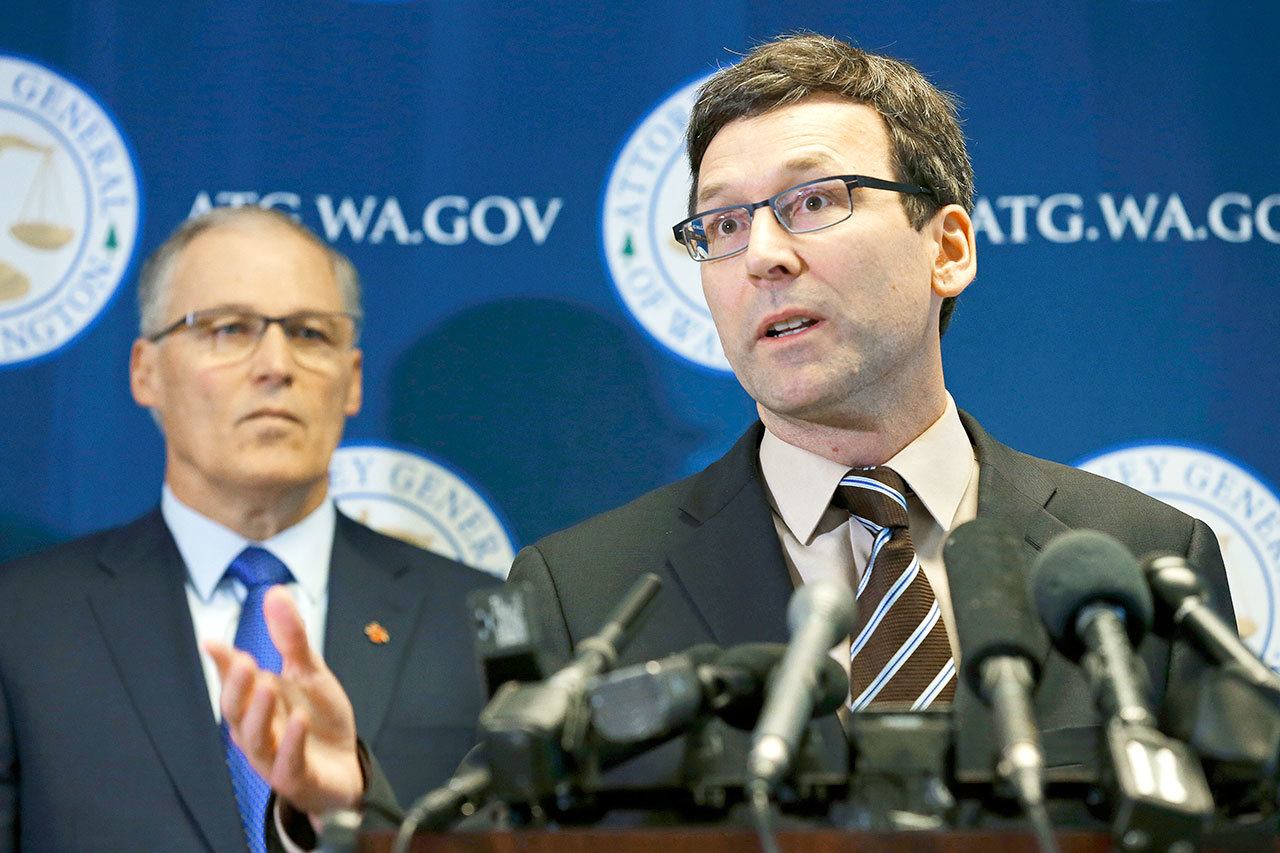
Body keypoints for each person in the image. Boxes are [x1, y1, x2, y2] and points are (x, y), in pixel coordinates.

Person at [221, 32, 1234, 835]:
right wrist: (344, 804)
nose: (762, 255)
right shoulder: (585, 596)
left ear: (948, 246)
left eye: (813, 201)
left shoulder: (1138, 562)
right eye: (721, 224)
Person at [0, 207, 494, 852]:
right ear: (145, 371)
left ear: (353, 380)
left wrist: (343, 814)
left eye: (311, 334)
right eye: (228, 329)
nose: (275, 365)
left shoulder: (475, 618)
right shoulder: (22, 620)